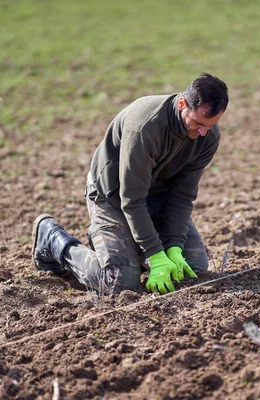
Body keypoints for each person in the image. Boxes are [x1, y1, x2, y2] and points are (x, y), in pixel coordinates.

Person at [31, 73, 229, 295]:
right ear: (183, 103)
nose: (203, 131)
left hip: (157, 196)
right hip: (112, 196)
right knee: (120, 281)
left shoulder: (208, 137)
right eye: (198, 123)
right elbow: (131, 200)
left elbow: (182, 195)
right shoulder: (145, 127)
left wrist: (173, 247)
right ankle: (54, 241)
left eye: (211, 125)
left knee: (194, 268)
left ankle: (120, 245)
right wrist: (155, 255)